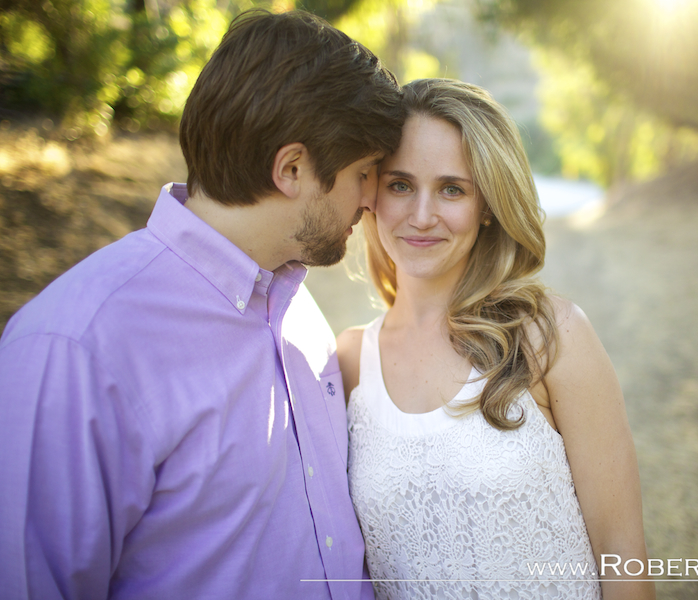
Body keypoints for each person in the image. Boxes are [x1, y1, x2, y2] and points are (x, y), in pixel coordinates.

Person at [0, 9, 403, 599]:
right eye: (364, 173)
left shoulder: (298, 312)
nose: (371, 201)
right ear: (292, 168)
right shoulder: (76, 346)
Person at [337, 79, 655, 600]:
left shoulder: (551, 335)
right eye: (399, 185)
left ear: (487, 203)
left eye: (452, 188)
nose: (421, 215)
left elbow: (622, 555)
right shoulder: (349, 362)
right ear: (370, 193)